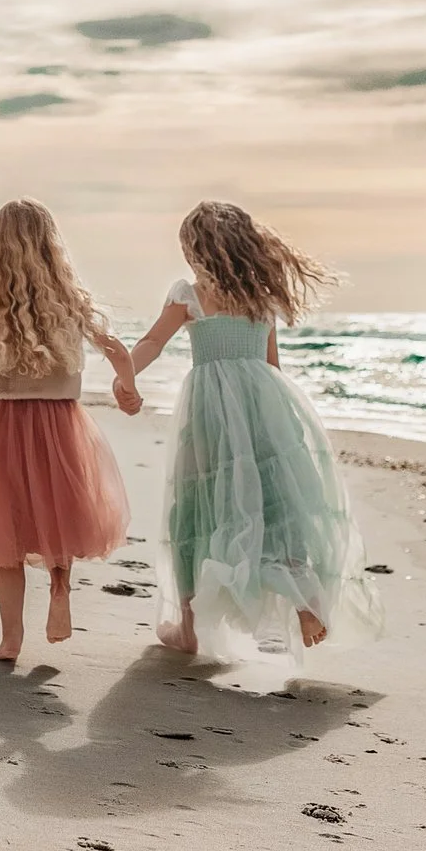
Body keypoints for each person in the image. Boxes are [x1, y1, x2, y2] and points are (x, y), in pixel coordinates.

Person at [125, 200, 382, 662]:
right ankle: (304, 598)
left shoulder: (189, 294)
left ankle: (187, 624)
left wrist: (126, 375)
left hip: (210, 411)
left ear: (198, 250)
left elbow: (152, 343)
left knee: (197, 506)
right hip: (268, 405)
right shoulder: (260, 297)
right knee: (277, 502)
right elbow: (272, 367)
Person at [0, 199, 142, 662]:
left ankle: (11, 638)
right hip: (57, 423)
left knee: (3, 531)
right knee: (57, 514)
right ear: (52, 249)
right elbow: (118, 351)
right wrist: (128, 390)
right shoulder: (69, 302)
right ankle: (60, 587)